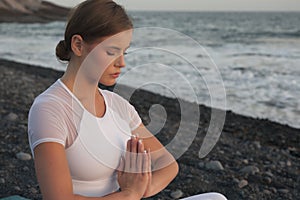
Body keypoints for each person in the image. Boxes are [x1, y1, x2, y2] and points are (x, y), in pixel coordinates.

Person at [28, 0, 227, 199]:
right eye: (111, 52)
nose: (122, 63)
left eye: (125, 52)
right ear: (78, 45)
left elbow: (167, 164)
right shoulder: (50, 109)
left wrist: (140, 190)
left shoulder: (118, 105)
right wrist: (129, 195)